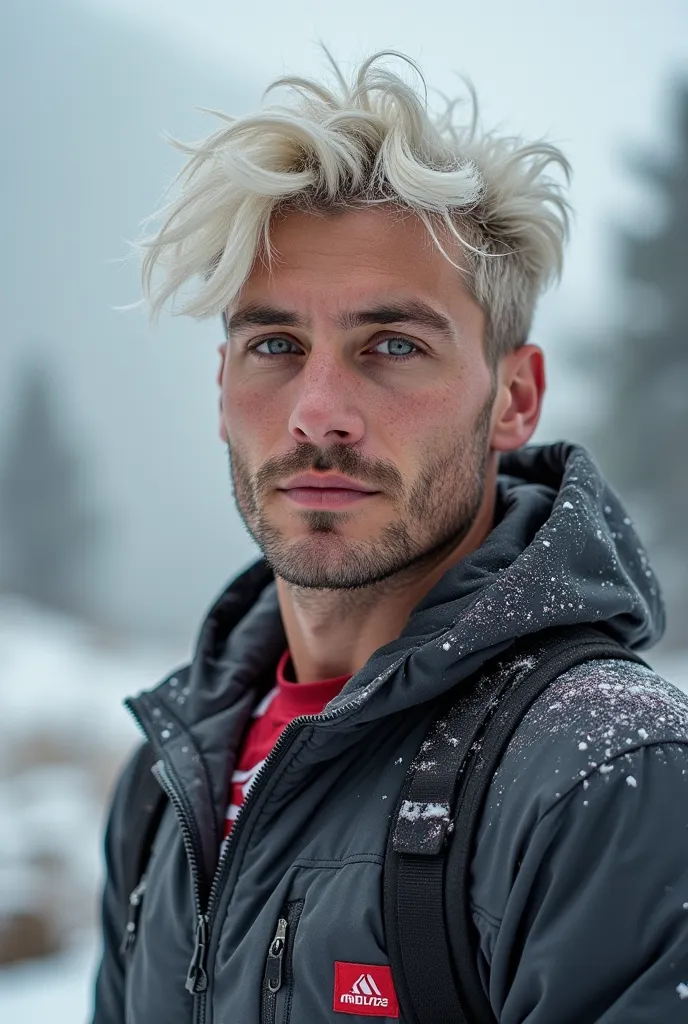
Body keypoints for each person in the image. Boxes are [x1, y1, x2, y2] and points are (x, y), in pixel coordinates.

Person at [92, 49, 688, 1024]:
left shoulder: (607, 777)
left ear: (515, 396)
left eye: (393, 346)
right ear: (221, 388)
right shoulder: (169, 780)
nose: (317, 413)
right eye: (275, 345)